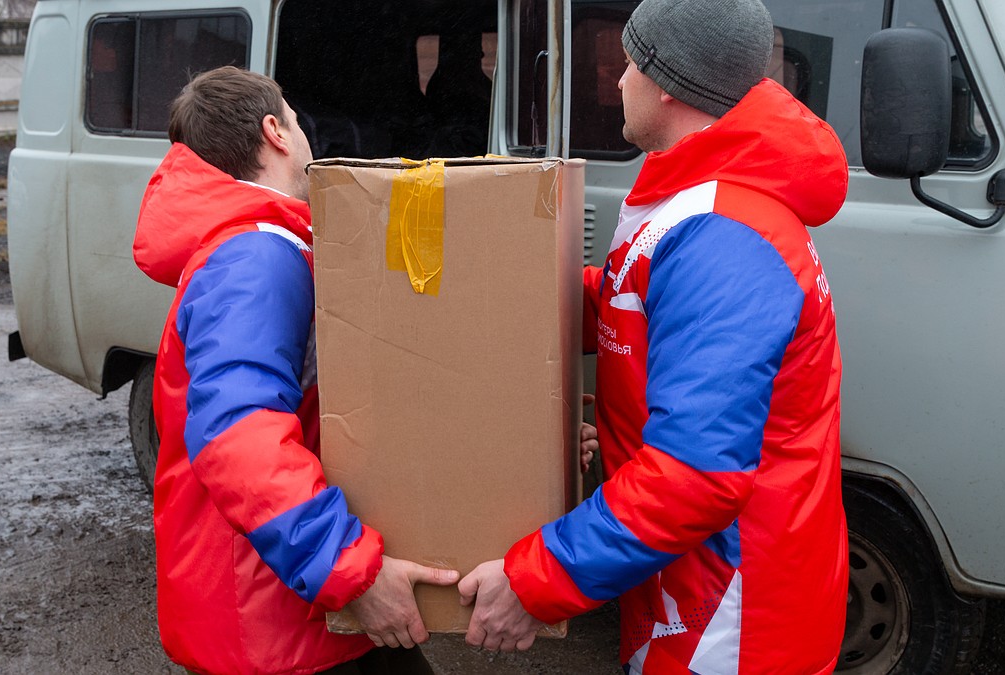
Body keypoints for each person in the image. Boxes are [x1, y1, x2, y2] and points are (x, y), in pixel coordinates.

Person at [458, 0, 850, 672]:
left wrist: (534, 580)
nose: (618, 80)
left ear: (668, 82)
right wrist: (463, 307)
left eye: (631, 61)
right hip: (690, 586)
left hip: (730, 620)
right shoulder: (697, 195)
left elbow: (695, 476)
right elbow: (622, 304)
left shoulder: (724, 235)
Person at [133, 66, 457, 675]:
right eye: (298, 120)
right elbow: (239, 438)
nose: (308, 134)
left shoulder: (263, 243)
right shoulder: (257, 255)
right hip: (274, 624)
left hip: (285, 603)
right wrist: (348, 570)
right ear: (276, 132)